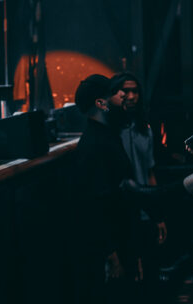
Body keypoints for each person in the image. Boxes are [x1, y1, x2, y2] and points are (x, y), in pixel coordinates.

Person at [72, 74, 136, 302]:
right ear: (101, 103)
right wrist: (112, 255)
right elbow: (94, 205)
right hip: (109, 247)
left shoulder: (107, 135)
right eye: (115, 93)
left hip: (120, 238)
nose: (123, 95)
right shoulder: (95, 145)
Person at [110, 73, 167, 286]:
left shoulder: (145, 129)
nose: (132, 96)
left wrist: (158, 214)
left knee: (151, 268)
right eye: (126, 91)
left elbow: (150, 172)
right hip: (121, 213)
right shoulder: (110, 131)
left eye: (135, 91)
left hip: (145, 210)